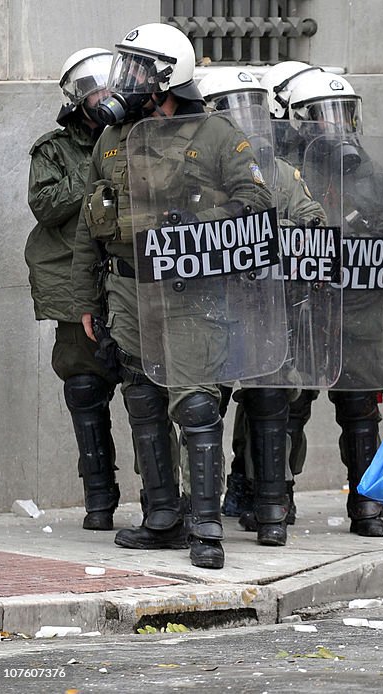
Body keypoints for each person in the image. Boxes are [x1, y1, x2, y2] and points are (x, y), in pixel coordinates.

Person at [71, 23, 274, 568]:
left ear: (169, 76)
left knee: (197, 402)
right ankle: (163, 515)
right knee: (141, 397)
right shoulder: (112, 140)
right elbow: (91, 225)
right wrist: (86, 300)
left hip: (190, 286)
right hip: (128, 288)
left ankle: (206, 526)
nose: (127, 79)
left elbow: (255, 202)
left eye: (138, 68)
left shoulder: (215, 134)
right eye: (127, 66)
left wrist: (196, 223)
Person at [197, 67, 328, 545]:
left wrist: (279, 236)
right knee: (201, 404)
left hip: (263, 306)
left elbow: (313, 222)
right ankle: (205, 508)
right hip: (207, 307)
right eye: (233, 110)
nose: (246, 121)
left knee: (271, 399)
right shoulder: (194, 169)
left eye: (252, 108)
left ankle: (272, 502)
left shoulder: (276, 172)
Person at [288, 71, 383, 536]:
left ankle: (365, 505)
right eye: (323, 116)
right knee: (289, 406)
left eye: (343, 114)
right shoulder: (288, 165)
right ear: (300, 121)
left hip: (357, 309)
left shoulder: (371, 173)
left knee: (361, 409)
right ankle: (277, 503)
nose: (336, 125)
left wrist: (360, 231)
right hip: (303, 311)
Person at [25, 47, 122, 531]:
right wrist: (94, 178)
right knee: (85, 388)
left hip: (130, 278)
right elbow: (43, 203)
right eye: (94, 90)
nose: (104, 96)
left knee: (150, 393)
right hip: (72, 281)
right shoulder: (53, 150)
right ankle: (99, 497)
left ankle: (167, 500)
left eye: (109, 87)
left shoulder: (135, 137)